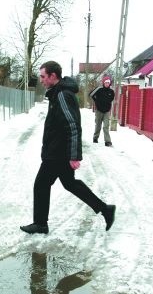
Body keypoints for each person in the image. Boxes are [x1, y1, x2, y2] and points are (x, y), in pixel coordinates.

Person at [20, 61, 116, 235]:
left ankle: (41, 224)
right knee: (70, 184)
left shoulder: (62, 95)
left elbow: (72, 125)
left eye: (43, 76)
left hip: (58, 153)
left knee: (41, 184)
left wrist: (74, 155)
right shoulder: (57, 93)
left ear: (53, 76)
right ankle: (105, 209)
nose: (41, 80)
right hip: (58, 151)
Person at [89, 75, 115, 146]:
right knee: (98, 125)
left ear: (110, 83)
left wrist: (107, 104)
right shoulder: (99, 89)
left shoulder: (111, 91)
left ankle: (107, 141)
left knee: (106, 126)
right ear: (103, 83)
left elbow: (111, 99)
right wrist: (96, 101)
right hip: (99, 111)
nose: (107, 84)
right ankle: (95, 138)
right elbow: (91, 94)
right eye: (106, 82)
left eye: (108, 83)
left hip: (106, 111)